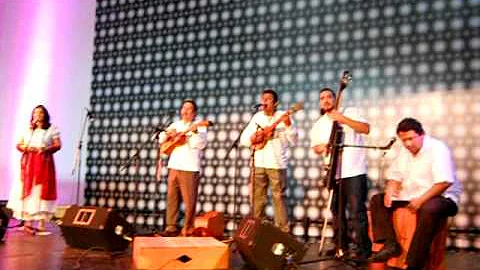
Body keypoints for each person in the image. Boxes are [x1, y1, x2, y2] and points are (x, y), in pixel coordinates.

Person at [369, 117, 463, 269]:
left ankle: (414, 262)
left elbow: (445, 182)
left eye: (411, 139)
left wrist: (420, 200)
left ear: (422, 134)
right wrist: (391, 188)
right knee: (377, 200)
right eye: (403, 140)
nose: (407, 144)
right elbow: (395, 176)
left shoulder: (438, 148)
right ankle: (390, 243)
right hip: (413, 195)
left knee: (430, 208)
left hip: (442, 197)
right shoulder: (404, 151)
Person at [309, 87, 371, 261]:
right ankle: (340, 246)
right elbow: (315, 147)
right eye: (322, 98)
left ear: (336, 99)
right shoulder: (319, 123)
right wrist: (321, 147)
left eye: (329, 96)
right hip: (333, 172)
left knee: (357, 210)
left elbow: (366, 129)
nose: (326, 100)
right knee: (336, 211)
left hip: (354, 171)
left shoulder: (350, 111)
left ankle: (362, 250)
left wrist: (343, 119)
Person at [239, 88, 298, 233]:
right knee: (257, 199)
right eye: (263, 99)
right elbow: (243, 139)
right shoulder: (257, 117)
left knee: (279, 198)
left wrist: (289, 125)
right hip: (258, 163)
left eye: (268, 99)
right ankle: (257, 231)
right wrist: (254, 137)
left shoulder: (284, 116)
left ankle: (282, 232)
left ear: (276, 103)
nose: (264, 102)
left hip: (276, 163)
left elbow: (294, 140)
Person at [7, 105, 61, 235]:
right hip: (28, 163)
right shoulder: (28, 130)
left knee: (41, 191)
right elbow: (19, 144)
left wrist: (46, 149)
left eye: (40, 112)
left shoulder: (51, 129)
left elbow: (58, 145)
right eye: (35, 113)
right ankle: (28, 222)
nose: (38, 115)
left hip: (44, 163)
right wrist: (25, 148)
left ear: (45, 115)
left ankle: (42, 224)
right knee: (28, 191)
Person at [156, 99, 208, 236]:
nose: (185, 111)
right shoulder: (175, 124)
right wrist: (168, 134)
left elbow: (200, 144)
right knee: (172, 198)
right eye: (183, 108)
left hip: (190, 167)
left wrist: (193, 133)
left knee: (189, 201)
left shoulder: (199, 126)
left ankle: (188, 229)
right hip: (174, 166)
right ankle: (171, 227)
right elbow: (161, 139)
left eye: (189, 109)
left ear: (194, 113)